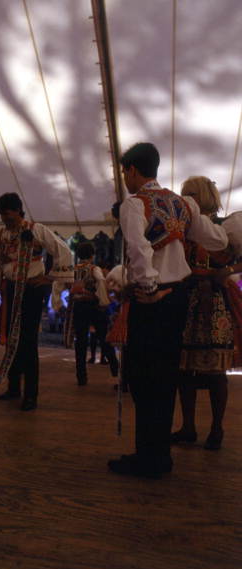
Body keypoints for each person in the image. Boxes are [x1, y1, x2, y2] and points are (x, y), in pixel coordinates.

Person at [108, 143, 227, 479]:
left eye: (124, 172)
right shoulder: (183, 203)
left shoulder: (134, 204)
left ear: (131, 170)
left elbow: (137, 248)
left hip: (154, 299)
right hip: (179, 298)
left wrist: (147, 288)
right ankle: (157, 457)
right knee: (164, 378)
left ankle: (149, 459)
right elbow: (217, 240)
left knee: (144, 380)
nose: (124, 179)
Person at [0, 192, 73, 411]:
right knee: (11, 337)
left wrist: (49, 277)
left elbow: (62, 251)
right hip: (11, 288)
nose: (5, 220)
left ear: (17, 210)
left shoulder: (36, 229)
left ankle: (30, 395)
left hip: (32, 289)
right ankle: (14, 387)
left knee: (28, 340)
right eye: (2, 216)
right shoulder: (0, 234)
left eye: (7, 215)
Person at [171, 177, 240, 450]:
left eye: (191, 194)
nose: (186, 198)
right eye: (184, 194)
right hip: (186, 300)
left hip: (215, 302)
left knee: (215, 371)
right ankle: (188, 426)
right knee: (184, 370)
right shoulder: (182, 227)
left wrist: (229, 271)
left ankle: (217, 428)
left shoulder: (228, 225)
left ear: (204, 196)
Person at [70, 241, 118, 386]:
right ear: (92, 255)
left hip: (78, 306)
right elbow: (101, 283)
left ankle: (81, 376)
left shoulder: (73, 269)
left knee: (81, 341)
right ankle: (116, 369)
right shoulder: (94, 269)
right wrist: (104, 302)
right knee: (104, 338)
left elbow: (63, 284)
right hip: (93, 306)